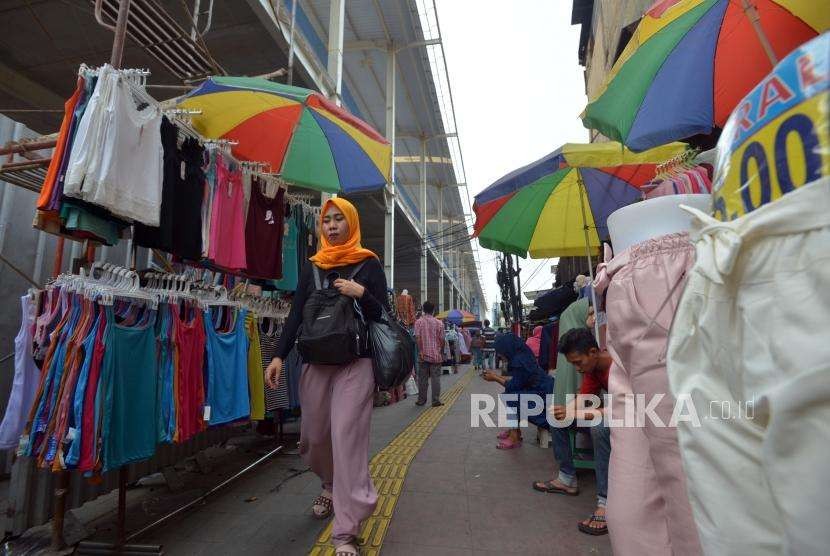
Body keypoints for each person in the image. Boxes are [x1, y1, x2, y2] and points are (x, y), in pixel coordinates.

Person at [264, 198, 388, 556]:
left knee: (347, 438)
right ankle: (330, 483)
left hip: (356, 361)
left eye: (339, 220)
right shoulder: (313, 266)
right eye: (327, 220)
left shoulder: (369, 264)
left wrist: (361, 293)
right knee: (314, 437)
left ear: (351, 223)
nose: (332, 226)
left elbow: (384, 315)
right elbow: (295, 315)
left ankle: (345, 532)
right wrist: (276, 356)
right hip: (317, 361)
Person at [532, 327, 611, 537]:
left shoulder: (619, 366)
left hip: (639, 414)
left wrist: (577, 414)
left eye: (578, 362)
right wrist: (566, 411)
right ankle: (567, 478)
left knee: (599, 428)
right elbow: (584, 398)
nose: (577, 368)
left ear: (593, 352)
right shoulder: (593, 370)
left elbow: (625, 407)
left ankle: (605, 503)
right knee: (556, 418)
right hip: (614, 411)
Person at [482, 334, 554, 450]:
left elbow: (513, 385)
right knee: (511, 394)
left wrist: (495, 377)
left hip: (544, 399)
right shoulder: (521, 354)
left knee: (511, 397)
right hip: (541, 391)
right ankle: (514, 430)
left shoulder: (520, 361)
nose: (500, 355)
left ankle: (514, 437)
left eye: (500, 352)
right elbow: (518, 381)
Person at [413, 301, 446, 407]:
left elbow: (417, 338)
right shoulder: (439, 323)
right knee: (436, 378)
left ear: (423, 310)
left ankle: (421, 400)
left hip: (423, 355)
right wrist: (441, 351)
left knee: (422, 378)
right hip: (436, 355)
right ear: (433, 310)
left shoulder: (418, 322)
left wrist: (421, 351)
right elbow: (442, 339)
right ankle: (435, 400)